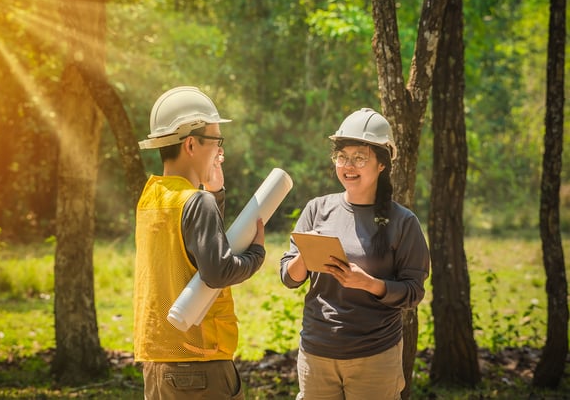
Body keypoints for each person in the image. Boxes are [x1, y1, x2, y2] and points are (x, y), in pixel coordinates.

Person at [280, 108, 430, 400]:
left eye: (360, 157)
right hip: (316, 353)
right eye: (342, 156)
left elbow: (413, 292)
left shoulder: (403, 222)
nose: (349, 165)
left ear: (382, 164)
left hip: (374, 356)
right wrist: (305, 257)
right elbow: (289, 277)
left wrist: (370, 284)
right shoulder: (317, 209)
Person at [134, 86, 265, 400]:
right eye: (217, 141)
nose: (220, 151)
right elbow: (217, 270)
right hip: (199, 360)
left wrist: (215, 194)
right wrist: (256, 255)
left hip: (158, 362)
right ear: (191, 144)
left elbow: (191, 246)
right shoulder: (196, 202)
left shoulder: (152, 197)